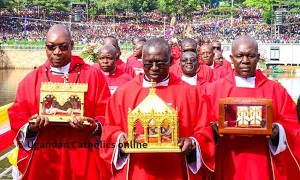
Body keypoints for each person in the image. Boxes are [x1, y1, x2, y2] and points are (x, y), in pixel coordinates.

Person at [100, 38, 215, 180]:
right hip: (138, 171)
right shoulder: (124, 93)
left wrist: (192, 142)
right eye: (148, 63)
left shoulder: (191, 94)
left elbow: (204, 131)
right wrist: (119, 138)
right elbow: (109, 128)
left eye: (160, 62)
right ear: (142, 61)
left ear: (171, 60)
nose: (154, 67)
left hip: (176, 170)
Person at [8, 24, 112, 180]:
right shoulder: (32, 80)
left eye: (63, 47)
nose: (57, 52)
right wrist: (31, 127)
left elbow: (107, 114)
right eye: (51, 47)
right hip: (45, 156)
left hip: (82, 153)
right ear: (45, 46)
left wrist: (94, 126)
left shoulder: (92, 76)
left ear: (72, 45)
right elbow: (17, 115)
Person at [205, 35, 300, 180]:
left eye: (250, 56)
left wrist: (278, 130)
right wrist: (212, 130)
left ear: (258, 57)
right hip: (227, 159)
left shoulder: (275, 90)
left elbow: (293, 125)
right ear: (231, 58)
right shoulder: (213, 90)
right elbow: (201, 126)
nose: (245, 61)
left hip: (262, 161)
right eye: (239, 56)